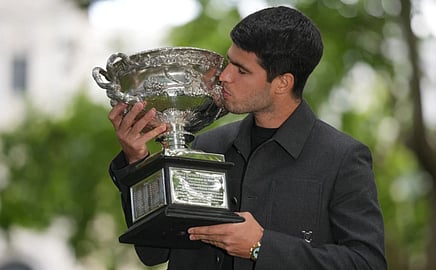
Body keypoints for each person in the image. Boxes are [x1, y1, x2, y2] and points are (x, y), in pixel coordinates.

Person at [107, 6, 387, 270]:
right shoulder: (206, 146)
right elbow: (153, 252)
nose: (225, 77)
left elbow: (366, 263)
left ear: (282, 83)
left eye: (242, 70)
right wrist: (137, 164)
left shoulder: (342, 159)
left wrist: (261, 246)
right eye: (229, 62)